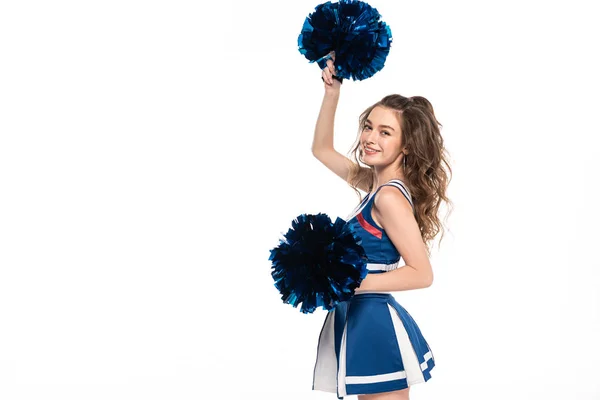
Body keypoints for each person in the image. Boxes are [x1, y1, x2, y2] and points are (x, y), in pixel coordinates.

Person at [311, 54, 452, 400]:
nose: (370, 138)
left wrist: (349, 281)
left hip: (374, 321)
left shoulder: (389, 198)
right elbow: (322, 150)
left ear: (405, 145)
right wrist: (332, 93)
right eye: (368, 126)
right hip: (357, 318)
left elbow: (422, 273)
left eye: (385, 132)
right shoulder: (373, 185)